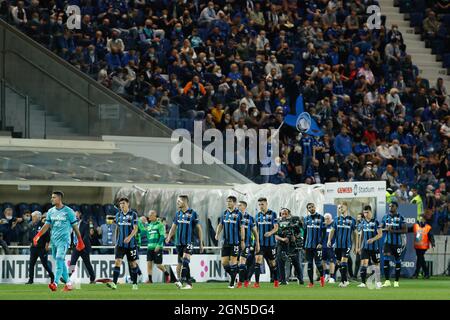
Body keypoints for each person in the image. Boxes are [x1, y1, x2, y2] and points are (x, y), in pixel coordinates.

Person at [32, 191, 85, 291]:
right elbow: (46, 226)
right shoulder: (51, 211)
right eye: (52, 197)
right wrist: (37, 236)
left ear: (59, 199)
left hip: (64, 241)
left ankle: (55, 283)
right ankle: (69, 283)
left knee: (59, 258)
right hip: (54, 241)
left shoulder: (69, 211)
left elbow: (75, 227)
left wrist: (80, 240)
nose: (52, 199)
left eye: (54, 197)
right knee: (60, 262)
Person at [166, 195, 204, 290]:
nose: (177, 203)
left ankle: (181, 281)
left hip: (189, 241)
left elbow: (199, 228)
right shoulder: (178, 214)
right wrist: (169, 237)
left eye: (179, 201)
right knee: (183, 262)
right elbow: (174, 227)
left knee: (185, 260)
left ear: (185, 202)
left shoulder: (193, 213)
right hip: (179, 243)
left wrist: (201, 243)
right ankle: (189, 284)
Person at [106, 197, 139, 290]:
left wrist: (129, 237)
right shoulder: (118, 215)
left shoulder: (133, 214)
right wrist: (115, 241)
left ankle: (135, 283)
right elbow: (117, 227)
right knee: (117, 262)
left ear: (128, 204)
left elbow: (135, 228)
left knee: (133, 264)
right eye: (120, 204)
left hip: (131, 245)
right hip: (120, 245)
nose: (122, 205)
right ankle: (114, 283)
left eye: (123, 203)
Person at [215, 196, 244, 288]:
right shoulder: (224, 213)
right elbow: (220, 225)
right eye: (227, 201)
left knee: (233, 262)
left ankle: (232, 283)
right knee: (224, 263)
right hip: (226, 242)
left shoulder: (239, 214)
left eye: (230, 201)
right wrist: (217, 234)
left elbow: (242, 228)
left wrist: (242, 240)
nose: (228, 203)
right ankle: (234, 275)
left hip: (235, 242)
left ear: (234, 203)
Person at [328, 202, 356, 287]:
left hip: (347, 245)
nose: (340, 209)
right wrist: (329, 240)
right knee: (339, 263)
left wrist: (356, 246)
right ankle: (346, 280)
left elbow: (355, 234)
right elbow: (332, 230)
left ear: (346, 207)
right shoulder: (336, 219)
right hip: (337, 245)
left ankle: (343, 282)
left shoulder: (352, 220)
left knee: (344, 261)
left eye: (342, 207)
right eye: (339, 208)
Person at [254, 197, 279, 288]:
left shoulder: (273, 214)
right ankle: (257, 283)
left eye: (262, 204)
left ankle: (276, 281)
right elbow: (255, 229)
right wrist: (256, 242)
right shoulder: (257, 216)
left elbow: (276, 227)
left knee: (273, 264)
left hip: (270, 244)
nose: (261, 206)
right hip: (260, 244)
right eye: (259, 204)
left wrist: (270, 233)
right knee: (257, 261)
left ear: (266, 204)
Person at [381, 201, 407, 287]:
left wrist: (393, 231)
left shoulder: (401, 218)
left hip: (397, 243)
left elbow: (405, 230)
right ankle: (387, 281)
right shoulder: (385, 217)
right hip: (387, 243)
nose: (390, 208)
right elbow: (380, 228)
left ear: (396, 207)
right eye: (389, 206)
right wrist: (386, 229)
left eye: (392, 206)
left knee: (397, 261)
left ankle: (396, 281)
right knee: (386, 260)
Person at [275, 208, 304, 285]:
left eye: (286, 213)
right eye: (282, 213)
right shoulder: (277, 222)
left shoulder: (294, 221)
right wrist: (283, 239)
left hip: (293, 245)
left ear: (289, 214)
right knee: (281, 262)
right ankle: (283, 280)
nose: (284, 215)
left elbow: (300, 232)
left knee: (296, 262)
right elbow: (275, 235)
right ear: (280, 214)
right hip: (281, 244)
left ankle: (300, 279)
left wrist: (295, 237)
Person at [356, 205, 382, 289]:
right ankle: (363, 283)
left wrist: (373, 239)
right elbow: (361, 235)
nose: (366, 214)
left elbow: (380, 234)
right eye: (364, 212)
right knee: (364, 263)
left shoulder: (376, 222)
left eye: (367, 212)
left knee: (376, 264)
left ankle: (378, 282)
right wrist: (359, 246)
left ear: (371, 212)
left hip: (374, 247)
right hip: (365, 247)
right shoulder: (362, 222)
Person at [27, 211, 54, 285]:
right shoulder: (32, 226)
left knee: (45, 264)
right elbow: (30, 237)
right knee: (31, 264)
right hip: (34, 248)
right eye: (32, 217)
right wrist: (31, 243)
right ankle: (30, 280)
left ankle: (52, 276)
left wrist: (47, 244)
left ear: (38, 217)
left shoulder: (43, 225)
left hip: (42, 248)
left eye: (34, 217)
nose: (32, 218)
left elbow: (48, 236)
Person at [68, 211, 96, 284]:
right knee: (72, 263)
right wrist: (72, 245)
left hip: (84, 247)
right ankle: (67, 278)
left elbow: (86, 236)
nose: (75, 216)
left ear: (80, 214)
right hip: (76, 247)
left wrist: (80, 244)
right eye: (74, 215)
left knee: (87, 264)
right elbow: (71, 235)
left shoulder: (85, 224)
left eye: (76, 214)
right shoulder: (72, 225)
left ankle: (92, 278)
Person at [236, 200, 259, 288]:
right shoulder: (235, 216)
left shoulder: (250, 218)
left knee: (243, 262)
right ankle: (244, 279)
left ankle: (242, 281)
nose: (238, 207)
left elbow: (255, 232)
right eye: (237, 205)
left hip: (246, 244)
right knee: (235, 264)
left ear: (244, 207)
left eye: (240, 205)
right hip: (234, 243)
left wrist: (257, 243)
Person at [145, 210, 170, 284]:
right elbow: (148, 236)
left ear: (154, 215)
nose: (149, 216)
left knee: (158, 265)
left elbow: (162, 236)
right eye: (149, 215)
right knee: (149, 264)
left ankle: (167, 274)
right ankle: (150, 280)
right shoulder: (148, 226)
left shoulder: (160, 224)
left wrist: (158, 245)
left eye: (150, 215)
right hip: (150, 247)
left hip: (157, 247)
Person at [304, 203, 325, 288]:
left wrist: (321, 243)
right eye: (309, 207)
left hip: (317, 246)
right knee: (309, 264)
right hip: (308, 245)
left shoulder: (321, 218)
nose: (311, 208)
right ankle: (311, 283)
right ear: (308, 209)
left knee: (318, 263)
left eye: (312, 207)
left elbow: (324, 232)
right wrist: (303, 245)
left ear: (315, 207)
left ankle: (322, 279)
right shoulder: (306, 219)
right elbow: (305, 232)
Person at [410, 214, 435, 279]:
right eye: (419, 218)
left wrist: (433, 244)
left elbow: (431, 236)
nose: (420, 220)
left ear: (424, 219)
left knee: (419, 259)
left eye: (422, 219)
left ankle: (416, 274)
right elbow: (408, 229)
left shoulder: (428, 227)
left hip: (424, 247)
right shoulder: (415, 226)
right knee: (421, 260)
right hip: (417, 246)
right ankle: (426, 274)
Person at [322, 213, 336, 283]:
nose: (326, 220)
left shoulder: (333, 225)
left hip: (331, 246)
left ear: (331, 219)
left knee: (331, 261)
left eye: (328, 218)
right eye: (325, 219)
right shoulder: (323, 226)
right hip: (323, 246)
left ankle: (332, 277)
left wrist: (335, 243)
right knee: (323, 261)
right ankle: (326, 274)